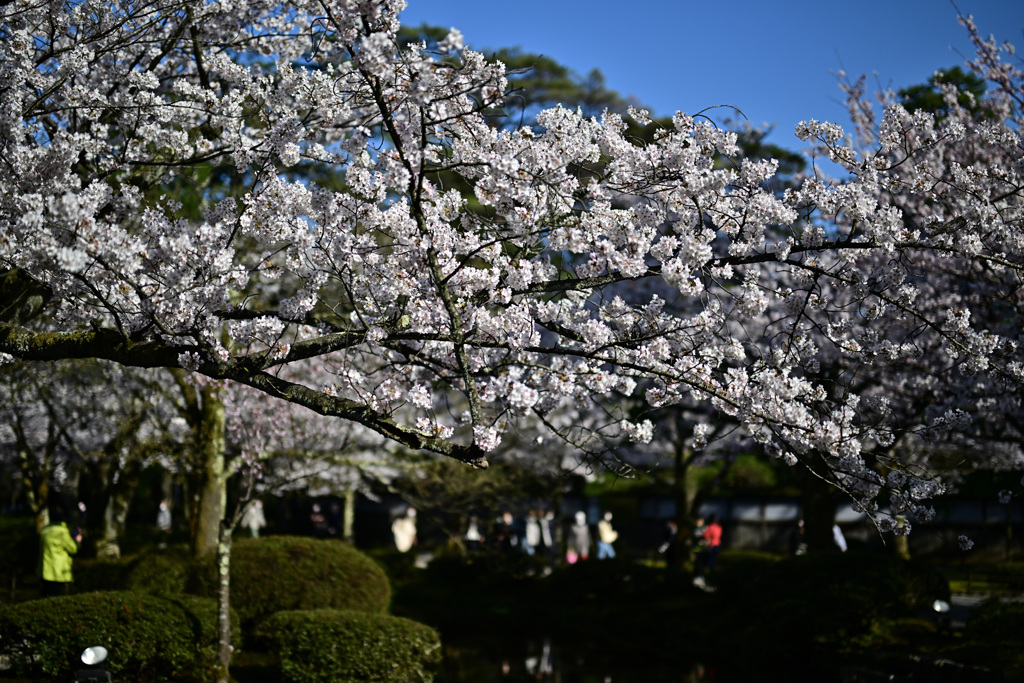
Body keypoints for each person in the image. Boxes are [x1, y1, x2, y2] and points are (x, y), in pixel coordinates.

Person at [38, 505, 82, 597]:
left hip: (44, 571)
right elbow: (73, 549)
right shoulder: (61, 532)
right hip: (58, 573)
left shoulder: (45, 530)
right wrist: (78, 541)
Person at [694, 513, 722, 587]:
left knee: (707, 563)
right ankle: (712, 578)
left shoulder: (709, 527)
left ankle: (708, 579)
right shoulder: (719, 527)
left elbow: (705, 536)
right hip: (717, 545)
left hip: (711, 547)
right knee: (713, 563)